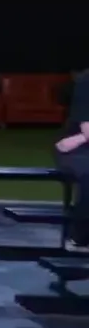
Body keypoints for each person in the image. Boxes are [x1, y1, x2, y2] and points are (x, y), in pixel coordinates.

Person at [56, 70, 89, 250]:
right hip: (79, 151)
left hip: (78, 142)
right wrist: (84, 137)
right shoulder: (86, 81)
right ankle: (81, 235)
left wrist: (82, 137)